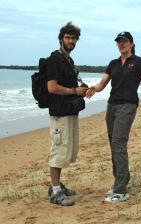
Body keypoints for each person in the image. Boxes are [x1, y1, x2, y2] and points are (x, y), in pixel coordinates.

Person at [86, 31, 141, 203]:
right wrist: (92, 89)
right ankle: (120, 180)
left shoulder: (139, 62)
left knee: (119, 143)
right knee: (114, 145)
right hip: (112, 106)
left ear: (132, 43)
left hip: (128, 105)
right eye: (119, 41)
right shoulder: (113, 63)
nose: (121, 44)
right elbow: (102, 84)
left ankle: (121, 190)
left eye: (124, 41)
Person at [46, 22, 88, 206]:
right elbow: (51, 87)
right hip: (59, 113)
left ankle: (57, 186)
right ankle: (55, 192)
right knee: (58, 151)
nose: (71, 41)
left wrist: (80, 90)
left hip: (70, 111)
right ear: (61, 39)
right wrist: (74, 91)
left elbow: (70, 86)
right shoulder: (55, 59)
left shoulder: (68, 60)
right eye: (68, 37)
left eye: (74, 38)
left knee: (66, 151)